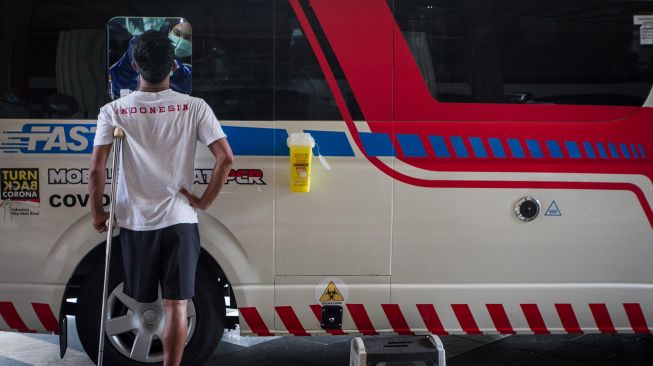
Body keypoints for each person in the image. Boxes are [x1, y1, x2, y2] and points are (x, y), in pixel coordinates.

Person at [89, 30, 233, 366]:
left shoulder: (114, 110)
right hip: (180, 221)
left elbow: (96, 169)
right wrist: (203, 201)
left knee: (143, 301)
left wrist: (98, 213)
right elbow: (225, 159)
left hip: (136, 222)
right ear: (174, 66)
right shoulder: (195, 107)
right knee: (176, 305)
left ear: (135, 65)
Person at [109, 20, 192, 99]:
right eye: (177, 33)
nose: (180, 41)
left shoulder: (189, 72)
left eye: (187, 38)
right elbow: (115, 85)